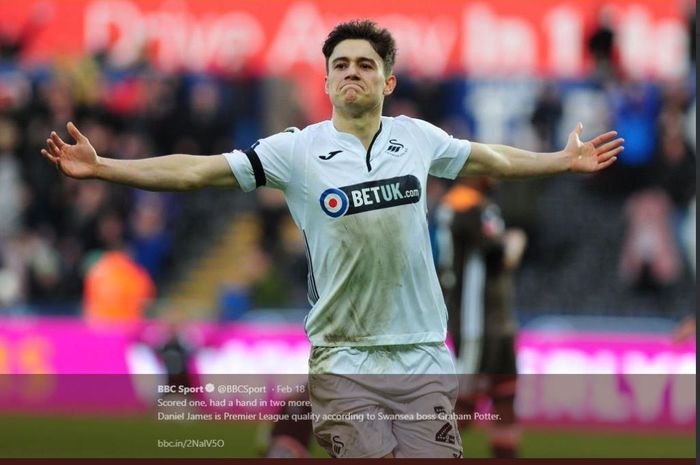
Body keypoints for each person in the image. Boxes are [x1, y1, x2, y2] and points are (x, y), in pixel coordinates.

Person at [40, 20, 623, 458]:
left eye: (365, 65)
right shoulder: (296, 150)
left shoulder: (417, 138)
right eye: (340, 64)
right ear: (324, 80)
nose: (351, 72)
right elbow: (198, 170)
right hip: (344, 357)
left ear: (388, 80)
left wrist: (560, 160)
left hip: (422, 353)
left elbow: (490, 156)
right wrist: (107, 167)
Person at [437, 176, 526, 458]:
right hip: (479, 323)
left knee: (505, 398)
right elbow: (502, 255)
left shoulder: (459, 205)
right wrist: (516, 240)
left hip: (494, 321)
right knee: (465, 404)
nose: (495, 174)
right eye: (487, 168)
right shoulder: (469, 207)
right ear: (471, 174)